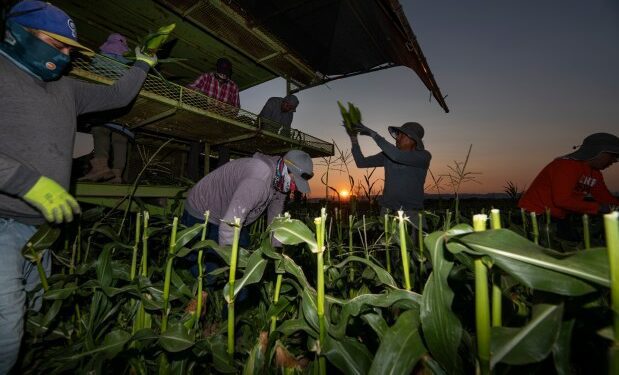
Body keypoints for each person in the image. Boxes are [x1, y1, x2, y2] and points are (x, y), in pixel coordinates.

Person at [0, 1, 157, 371]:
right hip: (2, 222)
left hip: (42, 233)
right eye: (57, 45)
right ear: (18, 34)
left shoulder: (67, 89)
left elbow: (117, 97)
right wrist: (26, 182)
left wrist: (143, 64)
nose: (66, 56)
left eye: (70, 49)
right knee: (6, 330)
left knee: (37, 317)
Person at [181, 150, 314, 276]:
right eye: (295, 182)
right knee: (206, 271)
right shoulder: (259, 180)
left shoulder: (279, 182)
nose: (294, 188)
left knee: (245, 260)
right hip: (203, 211)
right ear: (286, 169)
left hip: (231, 214)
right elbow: (229, 225)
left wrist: (277, 255)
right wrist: (231, 268)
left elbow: (275, 222)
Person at [518, 132, 619, 240]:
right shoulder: (566, 166)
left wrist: (615, 206)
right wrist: (598, 208)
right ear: (598, 152)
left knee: (576, 244)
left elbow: (605, 198)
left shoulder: (595, 174)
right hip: (535, 215)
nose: (615, 161)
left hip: (559, 217)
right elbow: (562, 200)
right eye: (613, 156)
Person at [347, 122, 431, 230]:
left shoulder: (423, 156)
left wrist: (373, 134)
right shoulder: (387, 155)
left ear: (413, 139)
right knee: (388, 246)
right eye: (397, 135)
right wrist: (354, 139)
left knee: (413, 246)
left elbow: (397, 156)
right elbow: (361, 163)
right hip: (387, 211)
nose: (397, 138)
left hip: (412, 213)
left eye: (401, 135)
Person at [80, 33, 133, 183]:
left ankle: (101, 167)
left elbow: (91, 73)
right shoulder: (128, 62)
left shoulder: (101, 57)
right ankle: (116, 175)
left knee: (100, 131)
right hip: (124, 107)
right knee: (120, 138)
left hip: (104, 105)